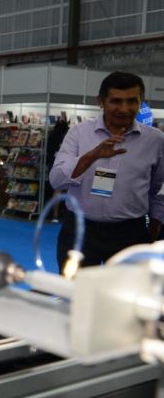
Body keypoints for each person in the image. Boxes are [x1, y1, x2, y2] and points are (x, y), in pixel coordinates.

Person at [50, 71, 164, 272]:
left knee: (125, 301)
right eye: (116, 101)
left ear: (141, 102)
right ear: (100, 101)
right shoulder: (79, 133)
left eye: (132, 101)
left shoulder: (155, 140)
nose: (124, 109)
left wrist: (154, 228)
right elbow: (57, 181)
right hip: (80, 232)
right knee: (76, 298)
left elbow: (158, 190)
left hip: (131, 235)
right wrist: (91, 156)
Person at [46, 119, 69, 223]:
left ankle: (55, 215)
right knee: (69, 190)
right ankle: (68, 215)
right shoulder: (68, 135)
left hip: (54, 165)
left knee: (57, 190)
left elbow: (49, 150)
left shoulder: (52, 135)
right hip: (68, 165)